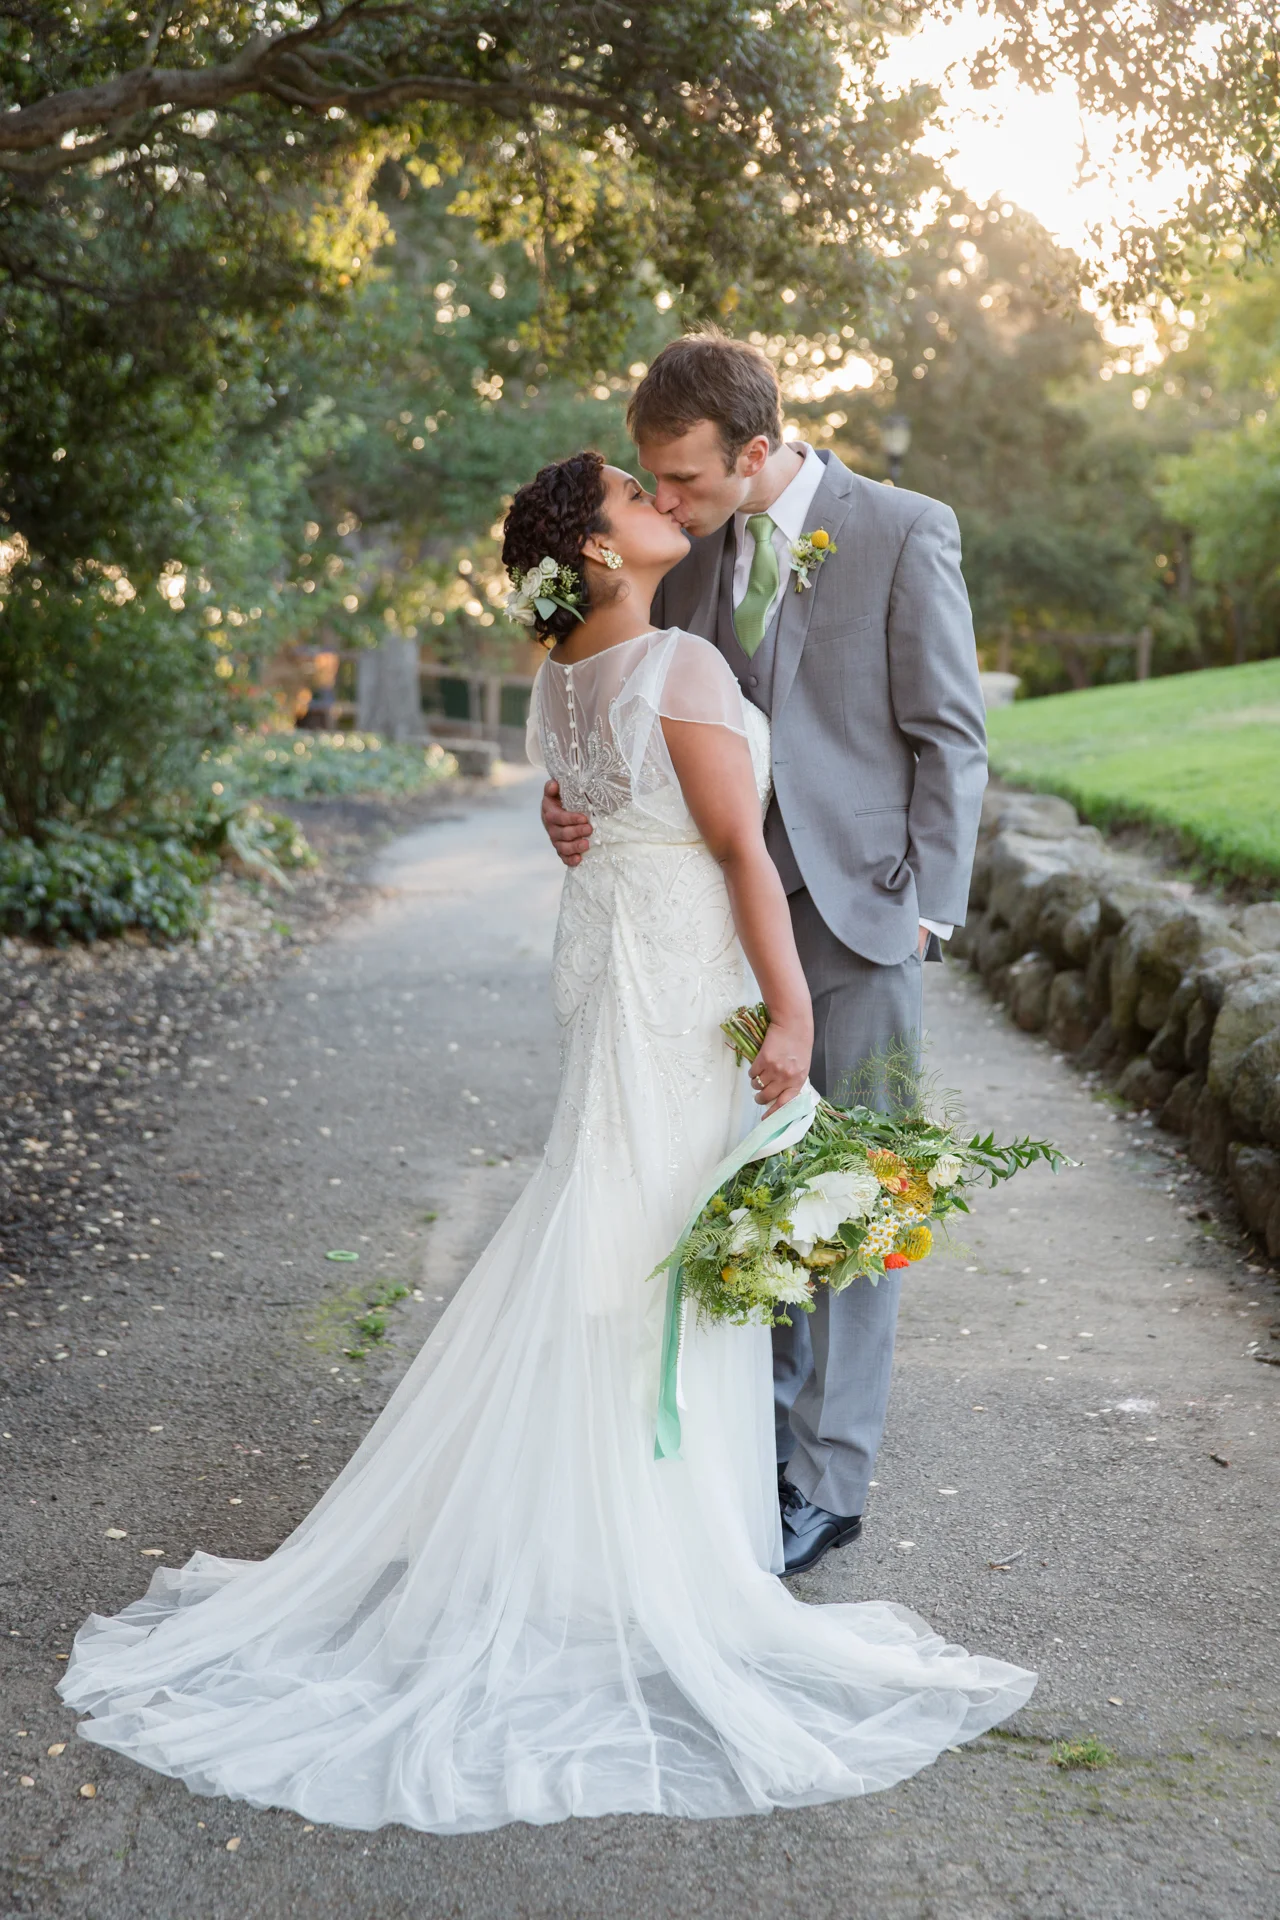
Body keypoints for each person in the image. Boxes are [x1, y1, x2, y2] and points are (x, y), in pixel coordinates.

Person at [58, 451, 1032, 1835]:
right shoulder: (680, 665)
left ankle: (604, 1524)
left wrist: (593, 827)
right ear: (591, 548)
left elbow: (595, 802)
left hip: (617, 962)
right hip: (680, 973)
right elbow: (744, 855)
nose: (662, 504)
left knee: (618, 1220)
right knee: (653, 1236)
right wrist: (796, 1016)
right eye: (637, 496)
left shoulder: (562, 676)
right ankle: (642, 1553)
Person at [541, 333, 988, 1576]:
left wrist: (925, 911)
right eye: (652, 483)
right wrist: (573, 797)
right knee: (740, 1193)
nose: (664, 503)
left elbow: (949, 736)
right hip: (715, 935)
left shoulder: (901, 529)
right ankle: (749, 1455)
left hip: (859, 917)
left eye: (681, 479)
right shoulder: (682, 562)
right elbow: (630, 702)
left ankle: (825, 1482)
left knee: (861, 1194)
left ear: (752, 449)